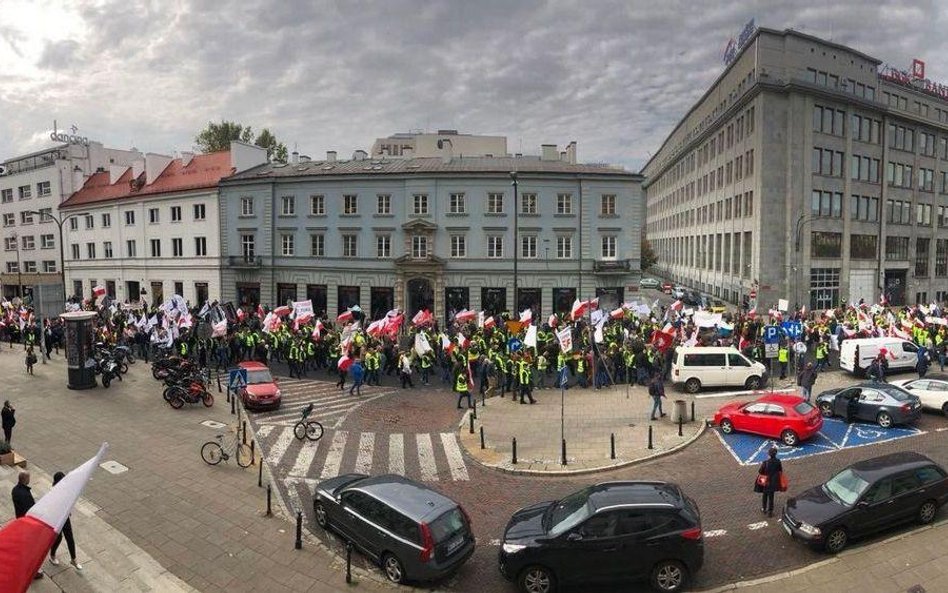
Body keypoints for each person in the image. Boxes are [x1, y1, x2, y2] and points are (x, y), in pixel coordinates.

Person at [12, 471, 43, 580]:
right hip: (27, 525)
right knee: (30, 549)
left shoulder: (15, 490)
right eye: (28, 478)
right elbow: (30, 510)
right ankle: (33, 572)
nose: (29, 480)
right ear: (25, 480)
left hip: (20, 521)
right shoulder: (24, 494)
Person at [49, 471, 82, 570]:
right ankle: (52, 555)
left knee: (69, 537)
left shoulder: (64, 488)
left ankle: (73, 559)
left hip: (65, 516)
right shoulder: (54, 491)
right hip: (57, 517)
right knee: (58, 538)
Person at [756, 447, 784, 517]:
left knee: (764, 495)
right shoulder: (778, 461)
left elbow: (760, 471)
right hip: (774, 482)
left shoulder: (765, 463)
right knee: (771, 497)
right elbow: (780, 470)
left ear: (769, 454)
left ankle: (764, 508)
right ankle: (770, 512)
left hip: (766, 482)